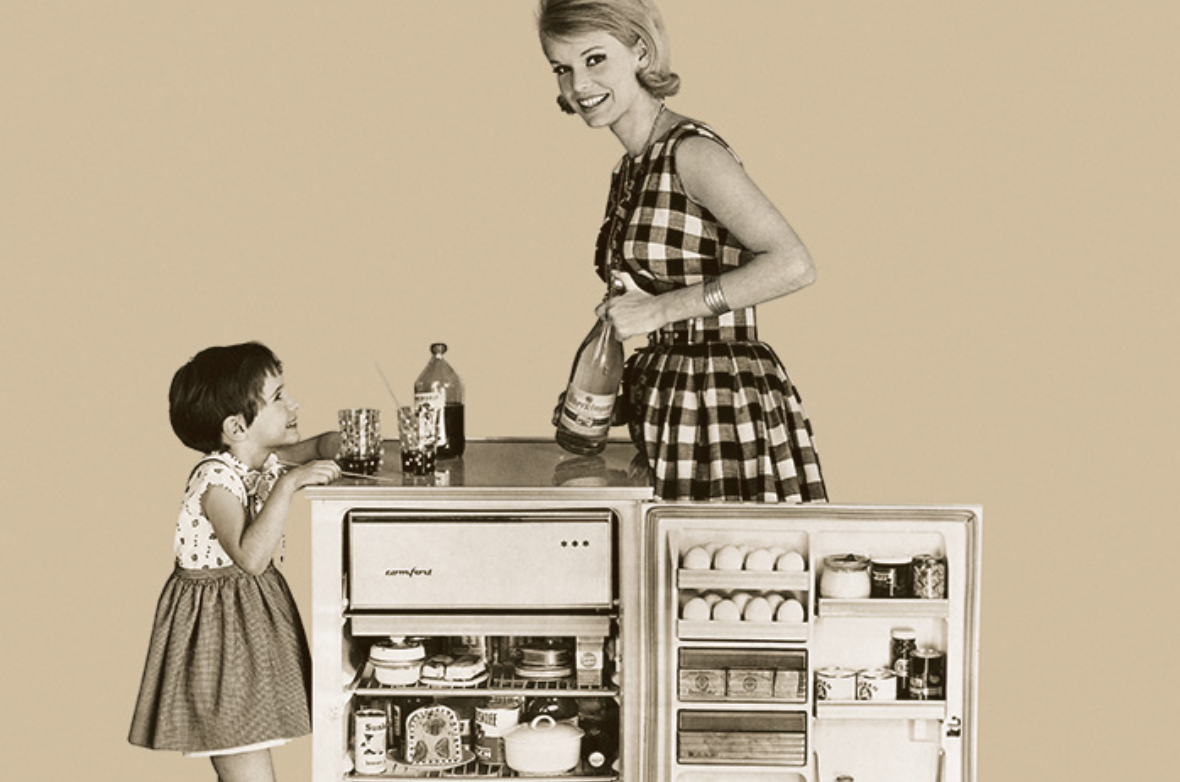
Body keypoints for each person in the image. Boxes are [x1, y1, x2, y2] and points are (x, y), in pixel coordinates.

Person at [537, 0, 828, 502]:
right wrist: (614, 393)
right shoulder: (633, 166)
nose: (579, 85)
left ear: (640, 52)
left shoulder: (691, 152)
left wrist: (659, 310)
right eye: (562, 68)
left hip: (722, 403)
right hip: (673, 399)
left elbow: (793, 264)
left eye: (594, 59)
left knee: (723, 554)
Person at [129, 342, 342, 782]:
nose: (294, 404)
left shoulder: (263, 460)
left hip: (247, 629)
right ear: (236, 427)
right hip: (219, 637)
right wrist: (289, 486)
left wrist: (355, 440)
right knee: (244, 766)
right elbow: (249, 556)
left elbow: (321, 445)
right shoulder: (215, 479)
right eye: (278, 397)